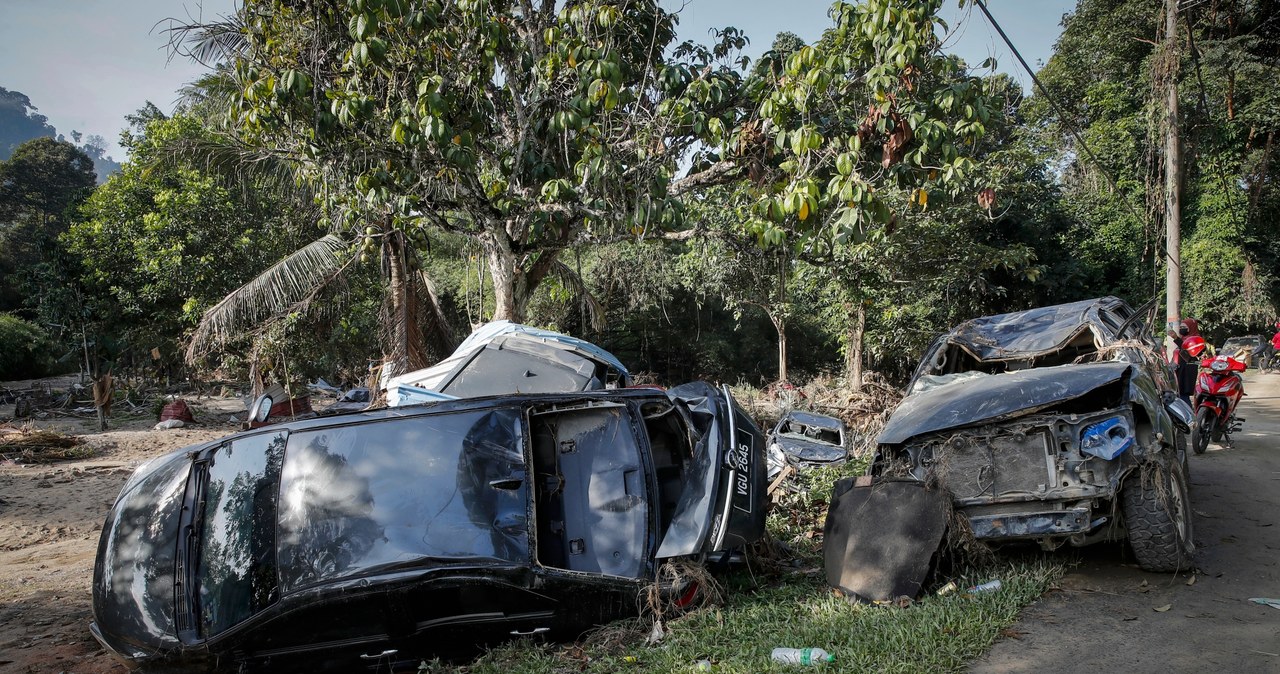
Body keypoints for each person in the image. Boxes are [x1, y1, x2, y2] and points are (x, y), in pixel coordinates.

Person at [1168, 318, 1208, 405]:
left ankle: (1188, 415)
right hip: (1178, 369)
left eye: (1184, 327)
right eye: (1181, 327)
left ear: (1191, 327)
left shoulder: (1197, 340)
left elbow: (1188, 350)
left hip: (1187, 370)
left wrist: (1176, 338)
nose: (1182, 329)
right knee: (1177, 394)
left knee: (1183, 395)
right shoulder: (1183, 338)